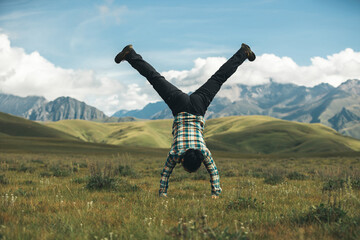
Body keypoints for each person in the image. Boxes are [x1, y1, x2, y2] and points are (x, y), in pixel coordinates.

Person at [114, 43, 256, 198]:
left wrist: (216, 192)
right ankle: (130, 54)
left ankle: (243, 52)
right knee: (155, 78)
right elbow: (165, 174)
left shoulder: (204, 153)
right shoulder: (175, 153)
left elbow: (214, 172)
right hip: (179, 105)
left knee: (218, 78)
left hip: (199, 104)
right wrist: (163, 193)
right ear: (182, 160)